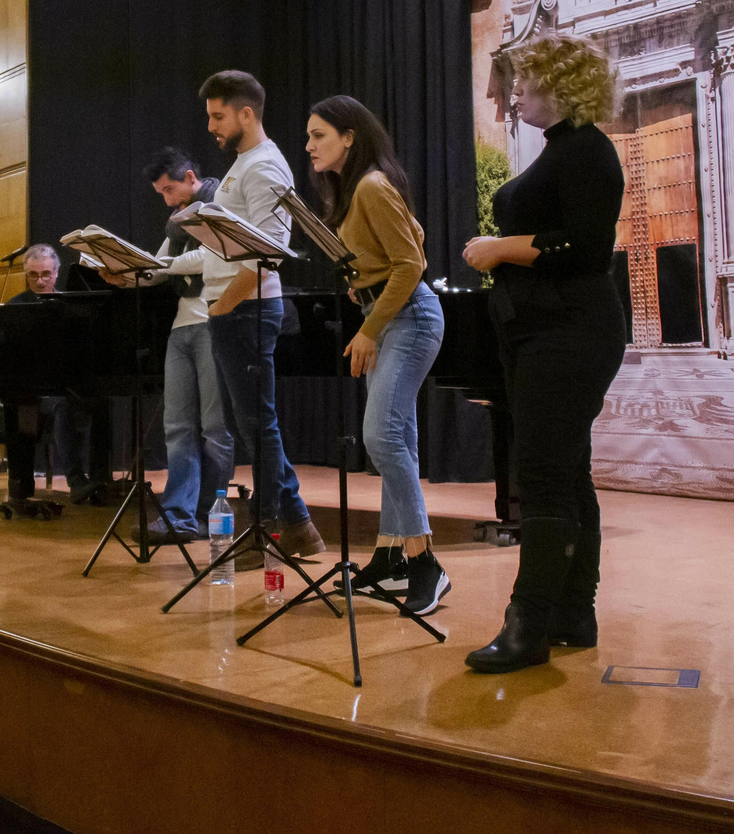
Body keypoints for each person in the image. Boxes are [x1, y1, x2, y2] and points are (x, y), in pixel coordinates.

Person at [461, 33, 626, 674]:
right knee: (566, 472)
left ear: (560, 84)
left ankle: (527, 625)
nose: (516, 90)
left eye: (526, 79)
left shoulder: (587, 149)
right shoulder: (565, 150)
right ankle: (572, 614)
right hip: (550, 328)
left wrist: (502, 248)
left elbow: (585, 249)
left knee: (544, 476)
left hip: (569, 329)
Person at [305, 96, 451, 615]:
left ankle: (425, 562)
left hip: (408, 318)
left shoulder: (369, 184)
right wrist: (363, 283)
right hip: (392, 316)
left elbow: (411, 265)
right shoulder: (357, 189)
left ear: (349, 136)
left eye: (318, 134)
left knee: (382, 436)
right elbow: (415, 241)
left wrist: (368, 326)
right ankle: (390, 555)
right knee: (398, 439)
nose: (309, 145)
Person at [199, 70, 324, 566]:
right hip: (236, 307)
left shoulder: (265, 166)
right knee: (254, 425)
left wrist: (227, 303)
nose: (212, 126)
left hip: (247, 309)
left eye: (218, 116)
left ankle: (271, 532)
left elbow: (269, 253)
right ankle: (297, 527)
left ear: (246, 113)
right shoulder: (246, 164)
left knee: (259, 426)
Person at [105, 149, 233, 544]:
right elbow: (157, 266)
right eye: (160, 192)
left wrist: (155, 268)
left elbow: (206, 258)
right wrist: (123, 274)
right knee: (177, 427)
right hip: (182, 328)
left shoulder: (219, 203)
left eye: (169, 189)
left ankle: (210, 512)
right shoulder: (177, 221)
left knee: (215, 429)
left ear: (191, 177)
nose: (167, 199)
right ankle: (178, 517)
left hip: (214, 322)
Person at [7, 244, 111, 503]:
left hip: (65, 381)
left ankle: (100, 479)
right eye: (33, 275)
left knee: (102, 400)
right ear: (26, 274)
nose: (40, 281)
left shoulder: (70, 304)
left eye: (45, 274)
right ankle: (76, 481)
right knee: (62, 404)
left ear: (56, 272)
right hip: (32, 388)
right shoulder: (15, 306)